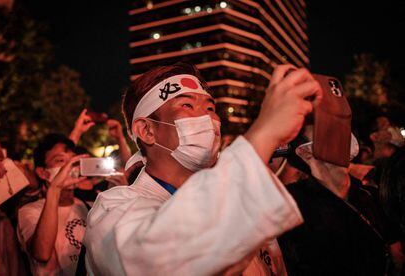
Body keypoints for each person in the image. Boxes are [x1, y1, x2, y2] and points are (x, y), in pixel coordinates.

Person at [83, 62, 323, 275]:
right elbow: (157, 260)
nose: (208, 119)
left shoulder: (241, 194)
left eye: (210, 108)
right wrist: (266, 132)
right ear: (147, 131)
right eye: (187, 105)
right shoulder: (112, 210)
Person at [278, 125, 403, 275]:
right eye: (326, 134)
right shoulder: (292, 202)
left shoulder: (371, 196)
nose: (338, 139)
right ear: (305, 152)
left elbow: (397, 253)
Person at [17, 134, 89, 275]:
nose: (69, 167)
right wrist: (54, 189)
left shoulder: (89, 206)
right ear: (43, 173)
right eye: (61, 161)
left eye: (73, 161)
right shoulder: (30, 211)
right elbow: (42, 254)